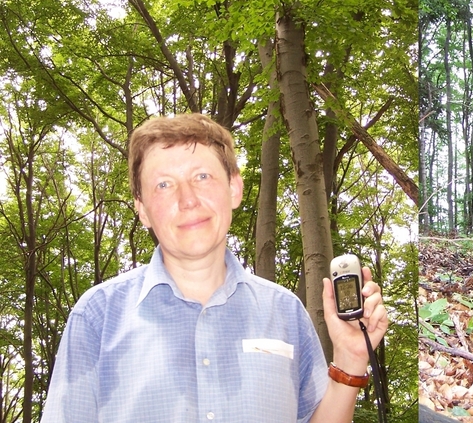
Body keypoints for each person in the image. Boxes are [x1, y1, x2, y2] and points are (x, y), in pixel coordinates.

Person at [41, 113, 388, 423]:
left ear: (234, 188)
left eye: (202, 176)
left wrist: (350, 360)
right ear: (142, 210)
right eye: (164, 184)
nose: (187, 199)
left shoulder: (285, 312)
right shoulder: (97, 317)